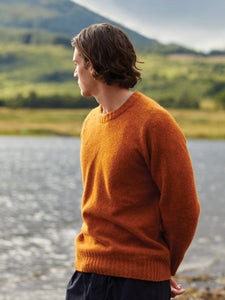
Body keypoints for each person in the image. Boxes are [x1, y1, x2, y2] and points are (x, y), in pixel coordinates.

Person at [66, 23, 200, 300]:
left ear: (92, 66)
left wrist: (161, 268)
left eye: (77, 63)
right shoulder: (90, 122)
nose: (74, 71)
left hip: (138, 283)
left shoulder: (155, 123)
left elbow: (184, 209)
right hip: (85, 275)